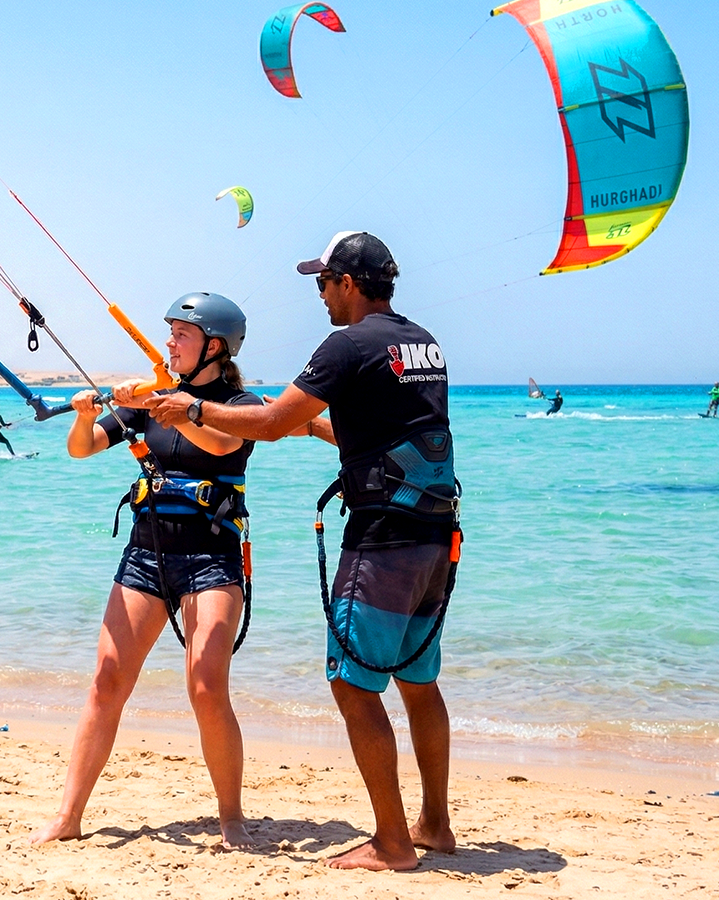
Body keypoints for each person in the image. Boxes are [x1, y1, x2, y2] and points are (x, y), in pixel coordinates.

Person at [147, 232, 459, 872]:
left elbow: (263, 423)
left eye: (323, 282)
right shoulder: (422, 342)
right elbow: (374, 426)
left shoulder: (348, 342)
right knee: (418, 680)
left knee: (352, 684)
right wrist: (308, 424)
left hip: (382, 540)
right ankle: (435, 823)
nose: (319, 294)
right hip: (436, 534)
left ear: (348, 282)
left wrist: (191, 408)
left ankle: (394, 843)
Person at [30, 292, 262, 849]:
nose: (169, 343)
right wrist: (86, 417)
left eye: (180, 334)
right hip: (146, 554)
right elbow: (81, 450)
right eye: (170, 334)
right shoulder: (153, 398)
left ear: (214, 346)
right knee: (107, 680)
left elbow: (222, 441)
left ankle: (231, 816)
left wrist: (171, 404)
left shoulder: (239, 402)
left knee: (206, 686)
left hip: (211, 557)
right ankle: (68, 816)